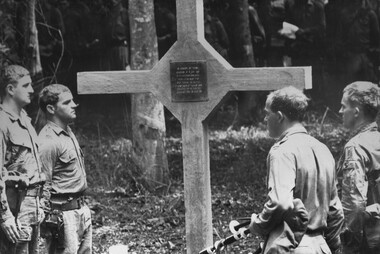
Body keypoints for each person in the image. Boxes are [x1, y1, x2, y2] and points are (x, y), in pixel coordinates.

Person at [246, 86, 344, 253]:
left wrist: (258, 225)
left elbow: (280, 202)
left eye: (267, 113)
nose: (264, 119)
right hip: (321, 247)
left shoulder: (282, 151)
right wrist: (332, 248)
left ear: (279, 116)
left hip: (291, 246)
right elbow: (336, 211)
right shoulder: (323, 149)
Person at [38, 84, 92, 254]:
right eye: (67, 102)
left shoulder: (67, 132)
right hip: (63, 216)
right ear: (51, 108)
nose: (74, 105)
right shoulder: (48, 140)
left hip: (80, 210)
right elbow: (42, 184)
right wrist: (45, 220)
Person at [0, 65, 46, 253]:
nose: (32, 90)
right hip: (13, 206)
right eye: (26, 85)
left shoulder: (25, 120)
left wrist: (40, 204)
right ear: (10, 89)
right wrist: (5, 216)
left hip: (31, 207)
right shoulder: (2, 122)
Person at [337, 81, 380, 254]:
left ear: (356, 112)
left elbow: (354, 204)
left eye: (343, 106)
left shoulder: (355, 147)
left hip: (367, 240)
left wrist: (349, 244)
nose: (340, 111)